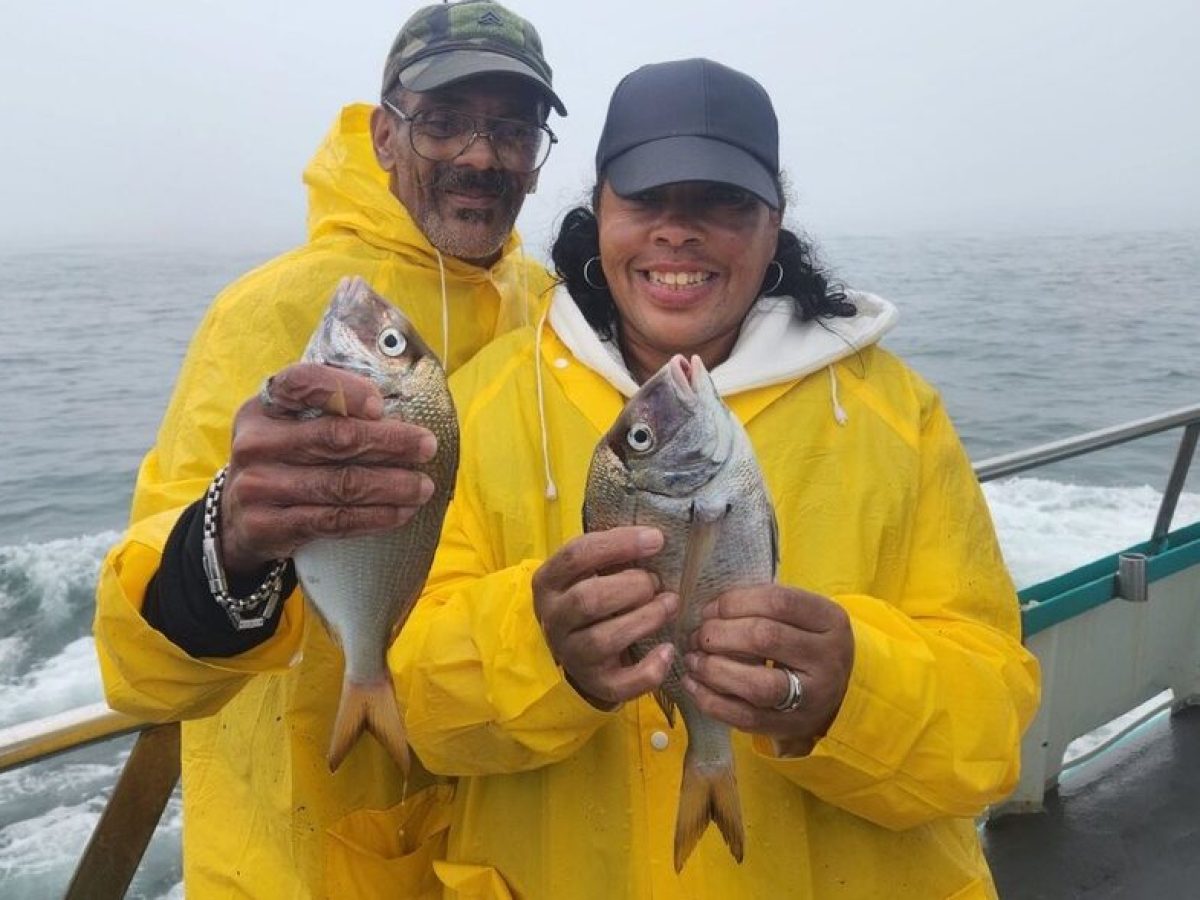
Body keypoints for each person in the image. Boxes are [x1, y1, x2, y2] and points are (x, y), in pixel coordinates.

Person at [389, 58, 1041, 898]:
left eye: (721, 203)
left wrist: (854, 688)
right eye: (647, 199)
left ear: (774, 225)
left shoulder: (897, 413)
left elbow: (993, 725)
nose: (677, 231)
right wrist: (539, 650)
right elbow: (412, 708)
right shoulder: (482, 402)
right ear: (600, 212)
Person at [92, 2, 564, 896]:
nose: (480, 154)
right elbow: (140, 663)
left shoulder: (553, 311)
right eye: (443, 122)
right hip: (307, 836)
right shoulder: (277, 311)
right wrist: (230, 540)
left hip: (515, 812)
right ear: (385, 135)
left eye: (512, 129)